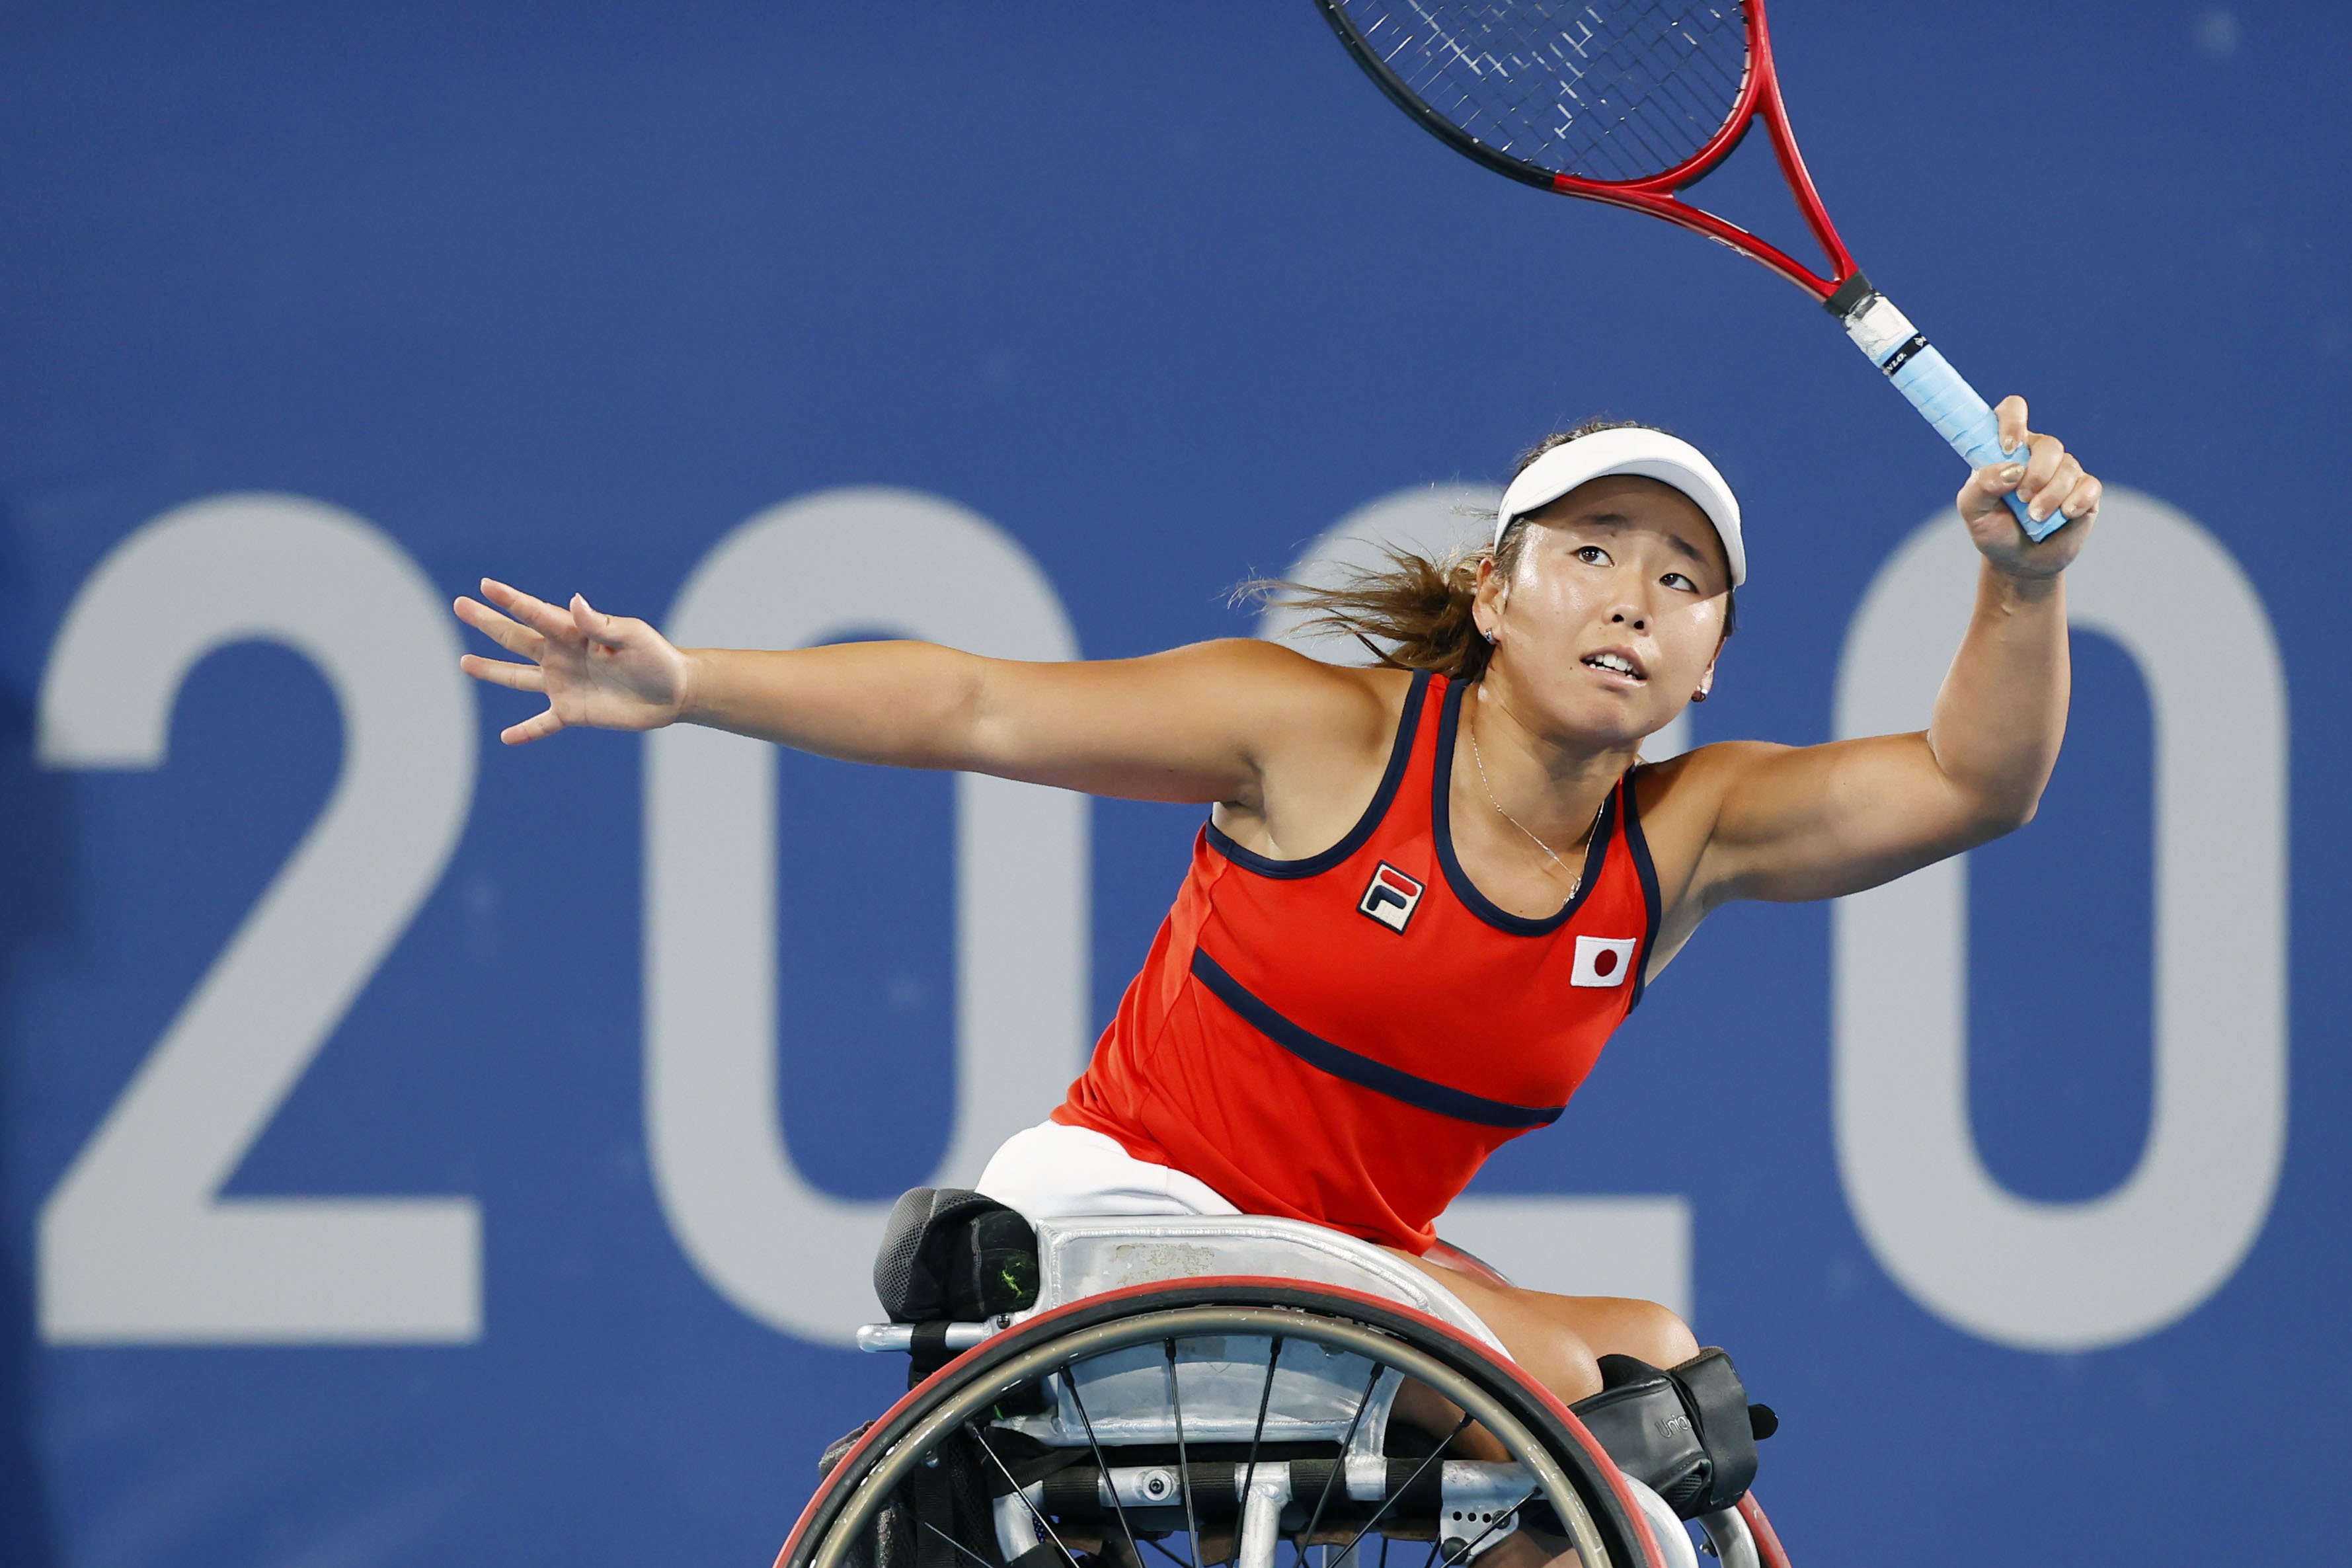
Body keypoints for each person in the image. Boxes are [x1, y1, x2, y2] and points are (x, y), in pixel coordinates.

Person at [451, 399, 2097, 1432]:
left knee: (1665, 1390)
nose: (1632, 599)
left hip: (1352, 1271)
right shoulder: (1325, 734)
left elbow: (1974, 782)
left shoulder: (1685, 839)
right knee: (1563, 1387)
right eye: (1592, 551)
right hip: (1113, 1220)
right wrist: (689, 684)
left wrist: (2021, 586)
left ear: (1712, 657)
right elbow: (972, 705)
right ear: (1493, 591)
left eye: (1682, 581)